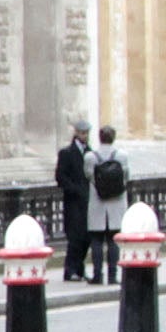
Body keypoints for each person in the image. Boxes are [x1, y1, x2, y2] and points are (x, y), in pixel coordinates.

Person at [89, 124, 131, 284]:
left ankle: (97, 275)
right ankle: (113, 275)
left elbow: (89, 176)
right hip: (116, 202)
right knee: (114, 241)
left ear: (99, 137)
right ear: (113, 138)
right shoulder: (122, 155)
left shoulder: (90, 156)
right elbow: (126, 176)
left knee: (97, 241)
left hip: (97, 203)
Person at [58, 119, 94, 285]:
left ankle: (79, 269)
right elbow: (60, 177)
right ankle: (70, 270)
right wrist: (74, 190)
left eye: (86, 133)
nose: (84, 136)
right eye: (82, 133)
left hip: (88, 202)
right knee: (75, 237)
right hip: (73, 203)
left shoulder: (90, 152)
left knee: (87, 237)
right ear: (76, 133)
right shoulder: (67, 153)